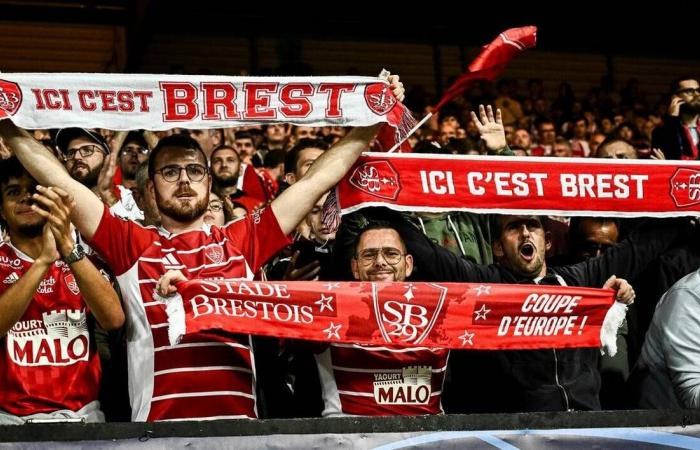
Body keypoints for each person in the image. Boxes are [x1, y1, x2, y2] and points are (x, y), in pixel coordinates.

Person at [0, 74, 406, 421]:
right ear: (151, 189)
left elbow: (316, 181)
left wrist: (371, 121)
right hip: (156, 433)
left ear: (209, 183)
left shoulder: (244, 239)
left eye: (195, 170)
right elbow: (60, 179)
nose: (184, 180)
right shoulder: (130, 243)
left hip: (237, 431)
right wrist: (6, 123)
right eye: (170, 171)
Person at [0, 157, 123, 424]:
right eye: (13, 192)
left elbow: (114, 320)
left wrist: (66, 248)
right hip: (10, 421)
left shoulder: (83, 259)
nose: (26, 198)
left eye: (35, 190)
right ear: (1, 209)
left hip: (83, 417)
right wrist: (44, 261)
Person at [652, 77, 700, 160]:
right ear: (675, 98)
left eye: (698, 90)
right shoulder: (661, 132)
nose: (697, 95)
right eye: (689, 91)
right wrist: (672, 119)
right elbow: (668, 162)